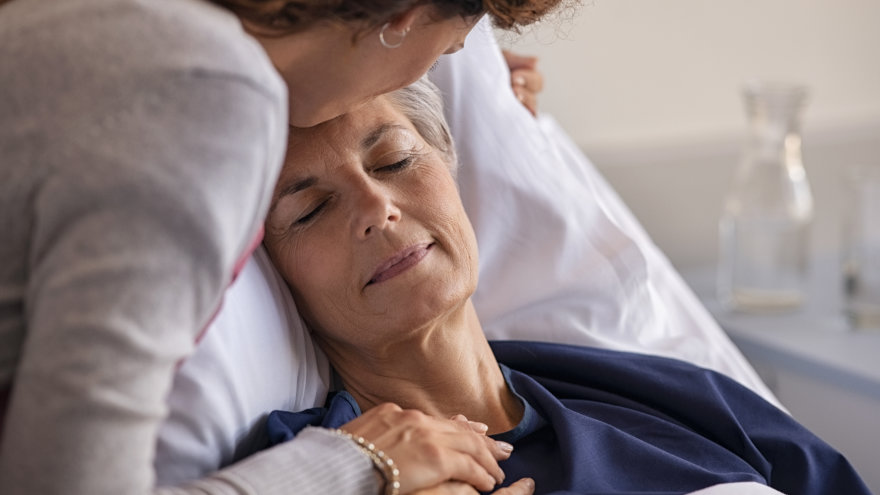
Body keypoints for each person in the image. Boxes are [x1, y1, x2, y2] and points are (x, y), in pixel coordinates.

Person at [0, 0, 570, 494]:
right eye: (448, 49)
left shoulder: (93, 30)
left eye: (395, 160)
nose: (378, 210)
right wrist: (360, 462)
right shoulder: (204, 99)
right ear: (400, 19)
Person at [260, 78, 871, 495]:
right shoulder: (323, 466)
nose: (376, 207)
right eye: (310, 210)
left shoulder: (664, 395)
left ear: (450, 173)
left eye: (394, 160)